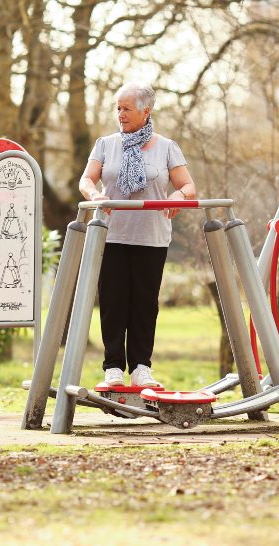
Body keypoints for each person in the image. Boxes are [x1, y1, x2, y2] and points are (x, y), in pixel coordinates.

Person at [79, 83, 196, 388]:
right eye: (118, 108)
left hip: (151, 237)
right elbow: (87, 179)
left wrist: (178, 198)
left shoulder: (166, 147)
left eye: (126, 108)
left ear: (146, 111)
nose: (120, 114)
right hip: (112, 234)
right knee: (113, 301)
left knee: (145, 304)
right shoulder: (106, 144)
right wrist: (94, 195)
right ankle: (113, 367)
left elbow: (188, 187)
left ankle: (142, 367)